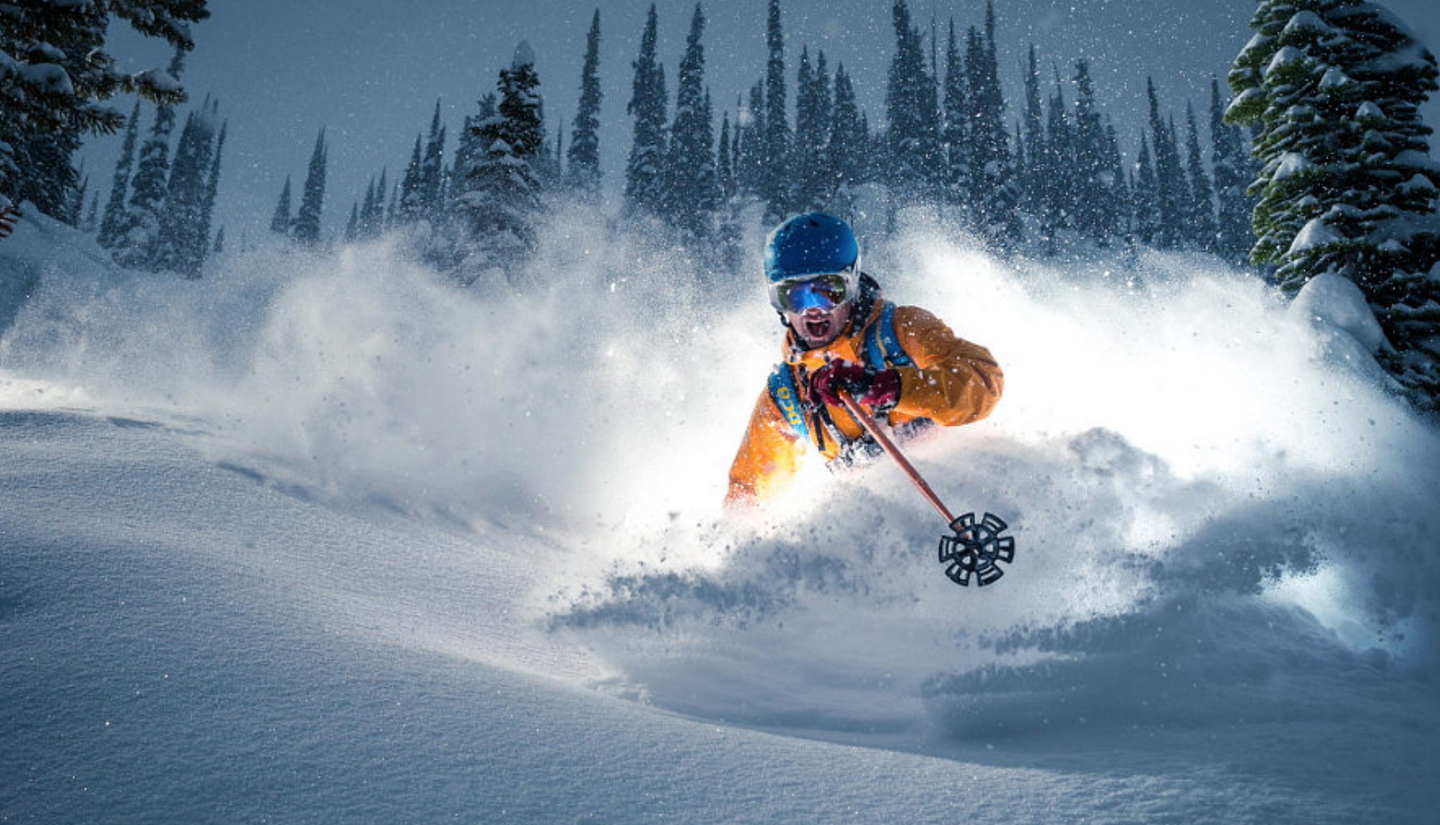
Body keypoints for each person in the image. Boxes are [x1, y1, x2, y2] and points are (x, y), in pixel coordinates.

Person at [725, 212, 1003, 508]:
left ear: (853, 284)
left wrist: (887, 387)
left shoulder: (901, 333)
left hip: (971, 506)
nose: (812, 310)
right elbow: (747, 495)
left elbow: (983, 383)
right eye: (793, 296)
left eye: (828, 291)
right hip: (894, 532)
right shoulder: (787, 394)